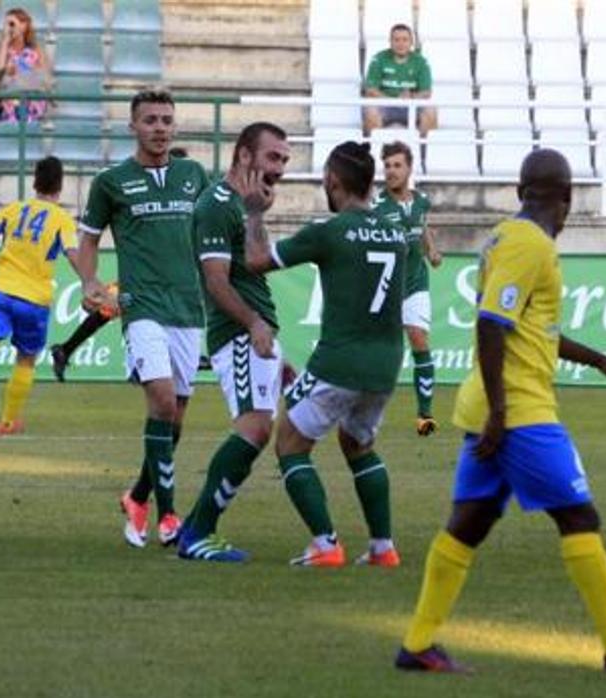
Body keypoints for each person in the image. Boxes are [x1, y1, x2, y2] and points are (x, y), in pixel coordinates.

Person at [395, 149, 606, 675]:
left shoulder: (507, 237)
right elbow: (491, 324)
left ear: (519, 190)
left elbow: (531, 328)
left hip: (491, 403)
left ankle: (417, 643)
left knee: (470, 522)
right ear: (569, 198)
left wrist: (599, 361)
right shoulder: (530, 245)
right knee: (579, 515)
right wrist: (502, 415)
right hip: (518, 410)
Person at [243, 141, 407, 567]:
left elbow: (256, 260)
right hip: (387, 362)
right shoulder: (395, 232)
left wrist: (254, 212)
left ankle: (325, 543)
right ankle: (382, 548)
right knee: (358, 444)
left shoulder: (329, 232)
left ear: (333, 181)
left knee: (291, 445)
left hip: (341, 359)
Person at [74, 89, 210, 549]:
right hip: (142, 306)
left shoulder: (194, 175)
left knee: (175, 420)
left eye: (167, 120)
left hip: (189, 307)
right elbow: (87, 239)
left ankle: (136, 495)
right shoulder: (112, 181)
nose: (159, 127)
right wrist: (89, 283)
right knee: (164, 401)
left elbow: (214, 228)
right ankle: (169, 515)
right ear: (132, 126)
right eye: (150, 119)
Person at [173, 123, 292, 562]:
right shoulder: (215, 205)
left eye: (283, 160)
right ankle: (199, 532)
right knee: (255, 428)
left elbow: (255, 267)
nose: (279, 168)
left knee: (260, 428)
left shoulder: (244, 205)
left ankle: (193, 526)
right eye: (273, 157)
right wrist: (255, 325)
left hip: (256, 333)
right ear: (244, 155)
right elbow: (217, 283)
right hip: (237, 333)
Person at [0, 157, 79, 435]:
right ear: (60, 185)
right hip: (33, 300)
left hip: (0, 292)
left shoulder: (13, 209)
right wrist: (90, 281)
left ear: (34, 182)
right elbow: (72, 253)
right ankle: (8, 422)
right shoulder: (61, 219)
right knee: (26, 359)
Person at [48, 147, 193, 382]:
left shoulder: (181, 205)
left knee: (111, 311)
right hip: (144, 279)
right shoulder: (156, 200)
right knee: (117, 310)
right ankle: (135, 362)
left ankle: (65, 350)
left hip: (165, 280)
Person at [372, 141, 443, 435]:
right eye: (387, 166)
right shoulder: (378, 206)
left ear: (409, 168)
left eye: (397, 165)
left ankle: (424, 415)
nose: (391, 171)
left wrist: (432, 251)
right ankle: (366, 411)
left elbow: (422, 227)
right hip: (386, 288)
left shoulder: (421, 201)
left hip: (415, 282)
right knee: (382, 351)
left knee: (418, 339)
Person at [363, 24, 436, 136]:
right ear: (390, 41)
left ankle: (423, 150)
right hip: (385, 104)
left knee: (430, 111)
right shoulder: (378, 59)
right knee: (370, 111)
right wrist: (391, 100)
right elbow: (370, 89)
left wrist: (411, 97)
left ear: (411, 42)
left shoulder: (420, 61)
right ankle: (375, 150)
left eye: (405, 40)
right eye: (396, 40)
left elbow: (427, 92)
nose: (400, 44)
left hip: (411, 105)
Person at [0, 6, 50, 124]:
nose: (9, 28)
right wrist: (5, 40)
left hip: (32, 95)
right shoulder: (4, 48)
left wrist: (20, 73)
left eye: (12, 24)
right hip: (10, 95)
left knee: (22, 106)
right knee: (11, 104)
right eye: (6, 24)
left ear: (24, 26)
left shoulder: (36, 49)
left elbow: (44, 77)